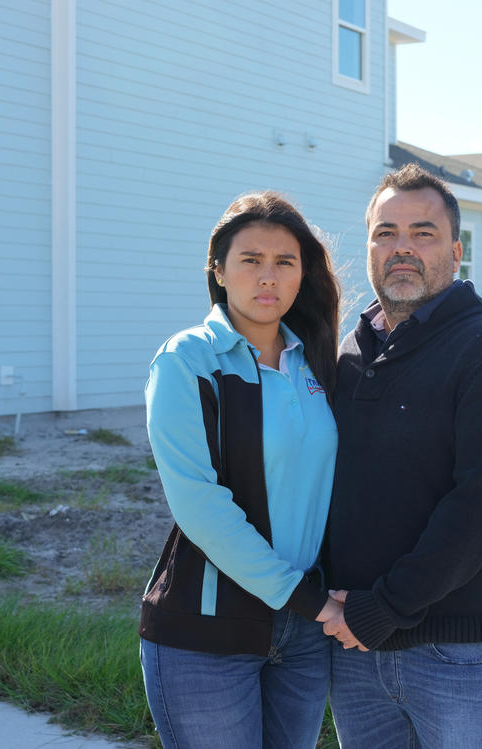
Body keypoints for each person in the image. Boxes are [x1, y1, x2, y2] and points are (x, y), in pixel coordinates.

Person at [322, 163, 482, 749]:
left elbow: (477, 508)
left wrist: (383, 608)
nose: (402, 249)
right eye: (385, 232)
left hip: (459, 653)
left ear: (456, 251)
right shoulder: (350, 353)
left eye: (423, 233)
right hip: (358, 649)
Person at [139, 191, 343, 748]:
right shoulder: (187, 361)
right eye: (251, 260)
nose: (268, 277)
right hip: (207, 631)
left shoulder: (319, 362)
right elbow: (201, 506)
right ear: (219, 270)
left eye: (285, 262)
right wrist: (305, 598)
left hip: (305, 629)